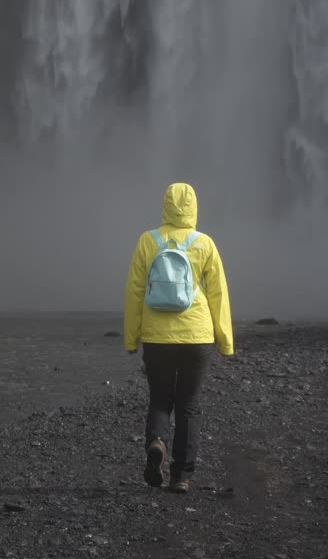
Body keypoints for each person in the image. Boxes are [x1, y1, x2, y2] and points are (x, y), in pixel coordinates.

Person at [123, 182, 233, 493]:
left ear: (166, 206)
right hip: (197, 337)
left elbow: (134, 292)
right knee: (189, 404)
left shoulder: (148, 241)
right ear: (193, 208)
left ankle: (157, 442)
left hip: (157, 337)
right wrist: (225, 341)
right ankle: (181, 476)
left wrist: (131, 338)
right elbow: (218, 295)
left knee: (160, 399)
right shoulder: (204, 243)